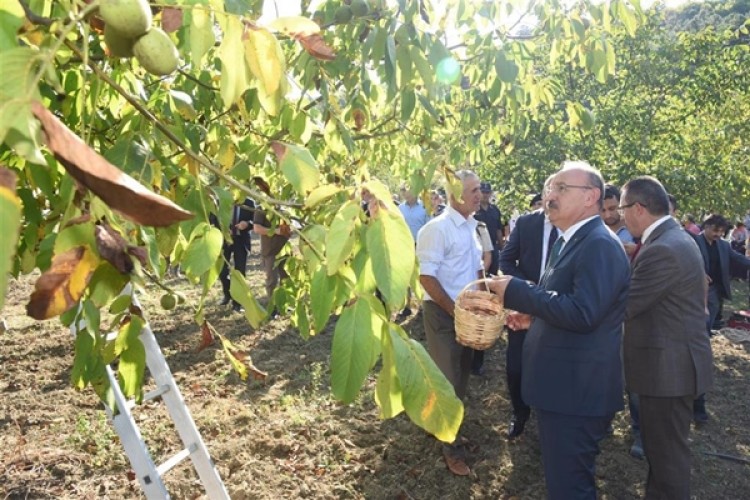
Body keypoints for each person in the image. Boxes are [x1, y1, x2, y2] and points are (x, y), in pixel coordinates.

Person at [488, 161, 630, 499]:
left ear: (590, 197)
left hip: (576, 395)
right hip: (565, 390)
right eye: (551, 188)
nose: (550, 195)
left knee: (570, 489)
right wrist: (534, 316)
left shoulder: (598, 243)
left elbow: (584, 313)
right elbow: (572, 304)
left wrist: (518, 292)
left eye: (562, 189)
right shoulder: (571, 240)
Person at [619, 176, 713, 499]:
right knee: (662, 459)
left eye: (622, 208)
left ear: (639, 208)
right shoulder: (671, 238)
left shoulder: (662, 250)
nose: (621, 216)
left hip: (667, 373)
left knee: (668, 462)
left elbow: (626, 305)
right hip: (670, 368)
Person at [416, 170, 484, 476]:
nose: (478, 195)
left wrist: (484, 301)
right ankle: (450, 448)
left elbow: (474, 270)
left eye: (479, 189)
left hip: (468, 316)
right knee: (448, 381)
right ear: (455, 194)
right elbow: (426, 277)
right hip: (444, 314)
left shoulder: (471, 227)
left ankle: (449, 430)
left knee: (462, 375)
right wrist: (454, 310)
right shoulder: (437, 229)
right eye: (473, 190)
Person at [497, 176, 557, 440]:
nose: (553, 199)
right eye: (549, 193)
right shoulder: (526, 222)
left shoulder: (574, 229)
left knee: (552, 364)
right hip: (523, 306)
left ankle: (549, 415)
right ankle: (519, 413)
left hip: (556, 307)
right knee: (516, 366)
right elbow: (506, 260)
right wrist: (526, 286)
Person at [212, 197, 255, 312]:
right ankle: (228, 294)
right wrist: (224, 230)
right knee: (222, 271)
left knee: (240, 272)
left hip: (241, 240)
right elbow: (213, 220)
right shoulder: (220, 200)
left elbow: (254, 221)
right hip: (224, 240)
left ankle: (238, 303)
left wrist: (247, 224)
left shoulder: (248, 202)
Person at [398, 186, 429, 319]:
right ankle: (407, 306)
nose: (404, 193)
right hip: (404, 246)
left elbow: (429, 227)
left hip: (420, 246)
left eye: (407, 190)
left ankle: (424, 305)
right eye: (403, 190)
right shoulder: (400, 208)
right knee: (406, 276)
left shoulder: (424, 208)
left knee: (422, 276)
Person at [253, 206, 291, 306]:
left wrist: (288, 231)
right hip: (270, 251)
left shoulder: (284, 210)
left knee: (286, 278)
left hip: (284, 250)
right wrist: (275, 231)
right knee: (272, 280)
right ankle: (272, 306)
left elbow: (289, 228)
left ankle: (284, 304)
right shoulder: (261, 209)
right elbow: (257, 229)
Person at [601, 184, 637, 256]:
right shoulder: (597, 232)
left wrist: (636, 250)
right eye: (603, 210)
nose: (608, 215)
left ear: (621, 204)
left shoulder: (637, 226)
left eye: (612, 209)